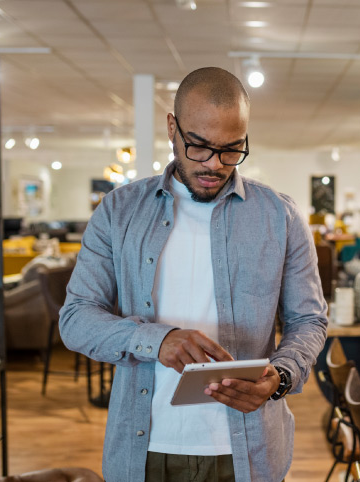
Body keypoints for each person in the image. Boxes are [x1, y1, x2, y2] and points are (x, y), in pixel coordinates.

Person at [59, 67, 328, 482]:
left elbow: (309, 320)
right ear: (172, 128)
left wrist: (281, 376)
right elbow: (76, 319)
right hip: (143, 448)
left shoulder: (281, 216)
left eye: (231, 150)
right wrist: (157, 339)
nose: (215, 165)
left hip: (249, 450)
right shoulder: (119, 211)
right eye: (199, 147)